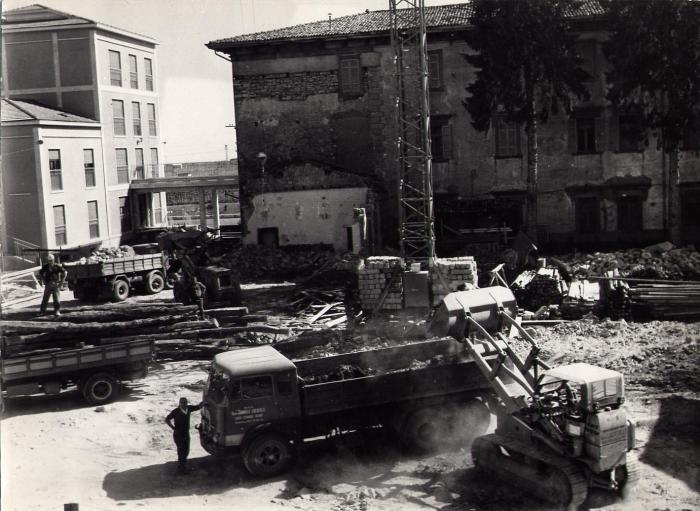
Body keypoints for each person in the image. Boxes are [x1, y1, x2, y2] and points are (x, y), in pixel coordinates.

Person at [165, 397, 203, 474]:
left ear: (187, 403)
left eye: (185, 403)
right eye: (182, 403)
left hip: (186, 433)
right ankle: (181, 469)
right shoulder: (176, 411)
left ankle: (183, 466)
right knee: (181, 451)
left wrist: (205, 400)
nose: (184, 404)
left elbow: (198, 406)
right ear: (179, 403)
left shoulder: (188, 408)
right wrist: (173, 428)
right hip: (178, 434)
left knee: (186, 450)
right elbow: (167, 419)